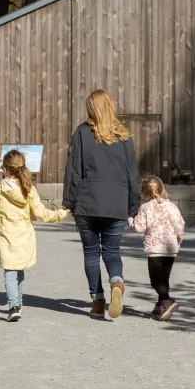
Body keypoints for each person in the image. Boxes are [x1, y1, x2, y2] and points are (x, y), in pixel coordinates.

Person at [63, 89, 139, 319]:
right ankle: (117, 282)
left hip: (88, 201)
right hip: (116, 202)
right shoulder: (124, 137)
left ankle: (97, 301)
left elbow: (74, 170)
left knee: (90, 253)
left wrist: (69, 201)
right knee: (112, 250)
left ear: (91, 108)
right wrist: (133, 205)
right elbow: (132, 175)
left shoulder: (82, 133)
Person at [0, 149, 70, 322]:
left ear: (5, 169)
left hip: (5, 237)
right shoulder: (28, 190)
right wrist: (61, 214)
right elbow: (42, 214)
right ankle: (18, 303)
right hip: (25, 237)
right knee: (19, 271)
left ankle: (13, 305)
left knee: (9, 272)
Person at [127, 175, 186, 321]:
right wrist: (179, 236)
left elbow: (139, 228)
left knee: (155, 281)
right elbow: (180, 223)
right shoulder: (172, 206)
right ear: (162, 188)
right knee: (164, 279)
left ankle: (167, 300)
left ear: (144, 193)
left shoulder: (145, 208)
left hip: (155, 249)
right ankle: (160, 306)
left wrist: (130, 219)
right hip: (171, 248)